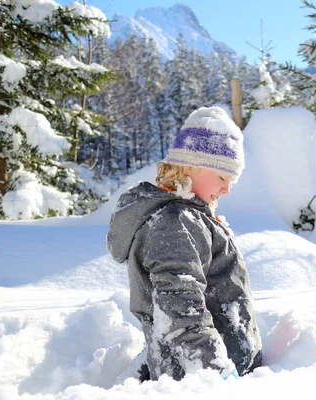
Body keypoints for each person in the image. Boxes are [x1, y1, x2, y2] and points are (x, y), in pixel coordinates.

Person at [107, 106, 262, 382]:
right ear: (190, 165)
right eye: (223, 177)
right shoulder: (176, 223)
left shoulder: (189, 219)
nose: (228, 189)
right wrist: (217, 371)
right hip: (200, 381)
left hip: (211, 374)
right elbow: (179, 306)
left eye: (233, 180)